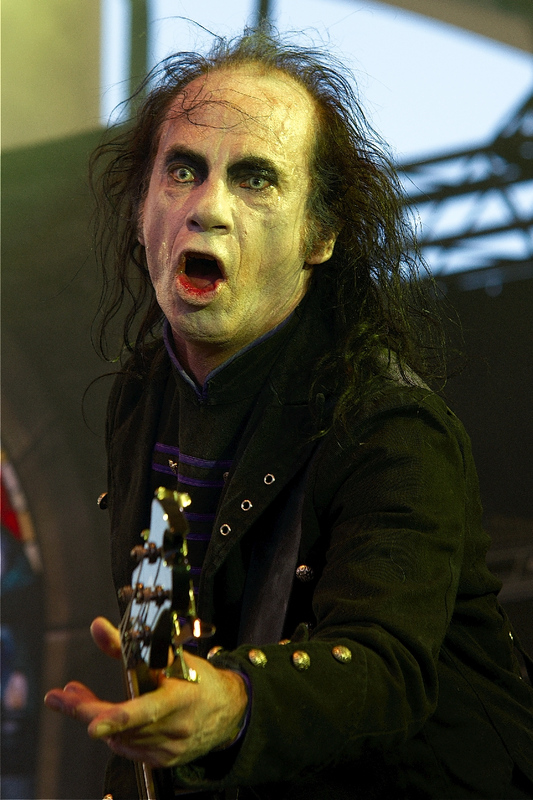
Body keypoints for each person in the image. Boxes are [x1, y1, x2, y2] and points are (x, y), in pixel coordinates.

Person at [45, 29, 533, 800]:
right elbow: (159, 640)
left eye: (255, 180)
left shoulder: (389, 426)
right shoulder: (145, 392)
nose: (207, 208)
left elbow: (383, 668)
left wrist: (234, 702)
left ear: (320, 235)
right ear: (141, 205)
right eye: (183, 171)